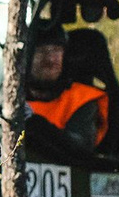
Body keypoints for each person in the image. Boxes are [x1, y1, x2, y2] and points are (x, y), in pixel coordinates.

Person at [27, 24, 109, 152]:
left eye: (56, 50)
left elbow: (79, 149)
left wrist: (37, 127)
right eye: (41, 50)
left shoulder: (81, 99)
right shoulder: (7, 98)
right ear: (26, 57)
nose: (50, 59)